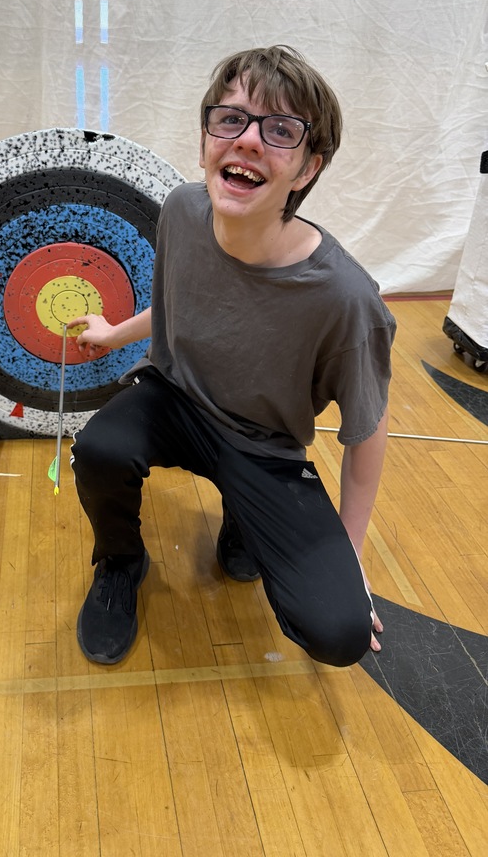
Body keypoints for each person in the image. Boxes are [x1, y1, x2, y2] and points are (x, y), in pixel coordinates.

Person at [68, 45, 396, 668]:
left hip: (263, 445)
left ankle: (243, 514)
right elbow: (179, 300)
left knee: (340, 633)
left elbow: (367, 428)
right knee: (100, 448)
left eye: (280, 130)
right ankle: (120, 563)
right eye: (232, 119)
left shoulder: (347, 298)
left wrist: (352, 555)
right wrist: (114, 334)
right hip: (175, 401)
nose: (247, 140)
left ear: (307, 168)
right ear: (205, 142)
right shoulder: (181, 210)